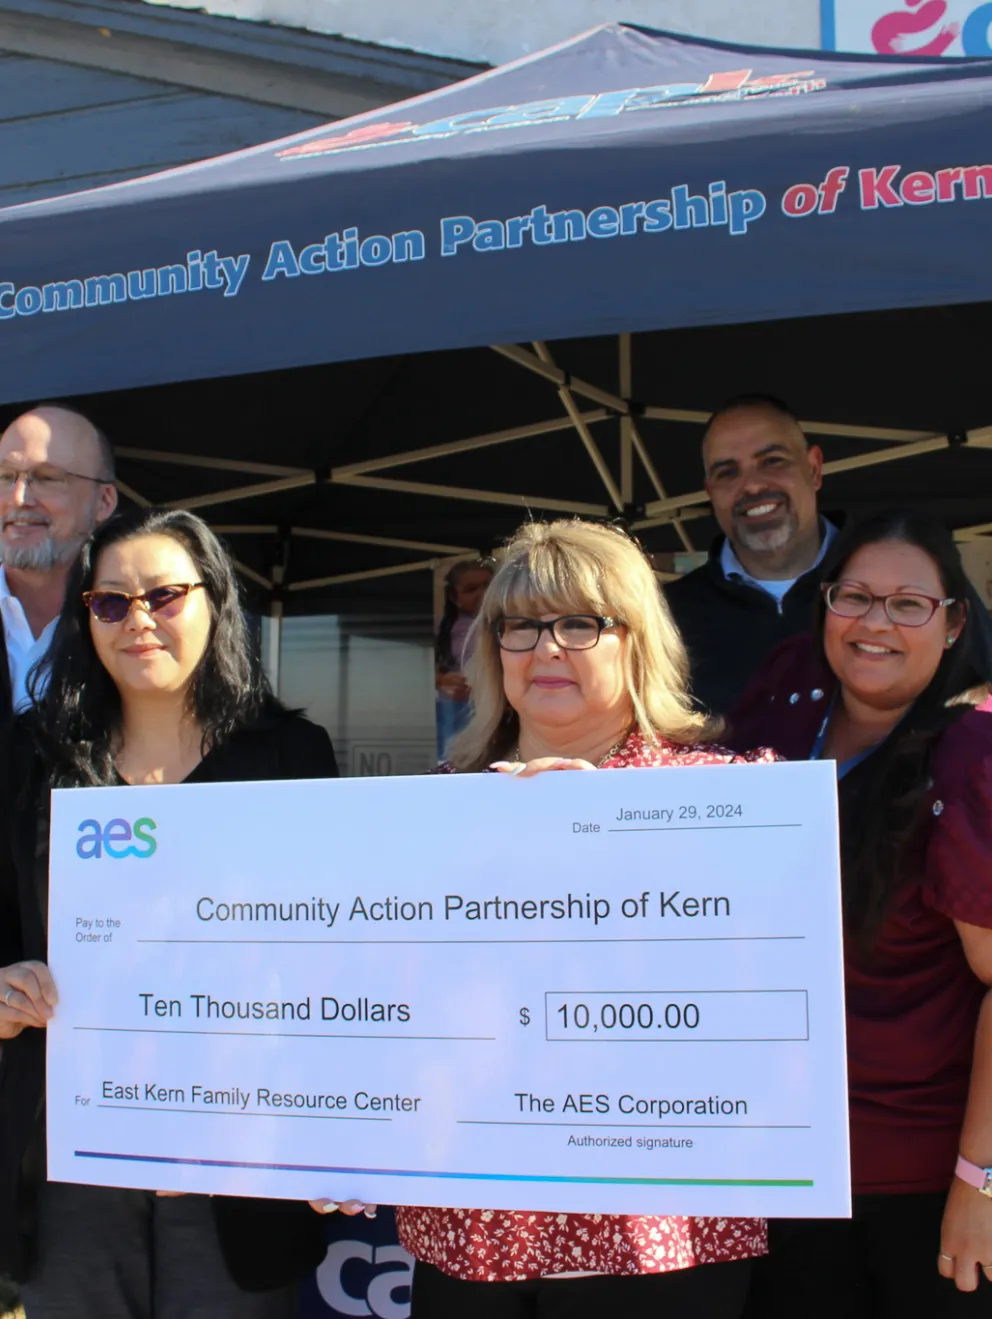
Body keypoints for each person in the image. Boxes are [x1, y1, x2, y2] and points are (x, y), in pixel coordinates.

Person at [316, 518, 776, 1319]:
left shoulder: (725, 800)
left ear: (636, 639)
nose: (545, 647)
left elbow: (763, 997)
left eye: (578, 622)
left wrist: (603, 838)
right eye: (520, 625)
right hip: (471, 1235)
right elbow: (376, 997)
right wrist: (336, 1127)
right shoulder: (424, 811)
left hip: (655, 1241)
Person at [0, 507, 337, 1318]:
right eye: (110, 602)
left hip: (239, 1160)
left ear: (216, 602)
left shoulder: (291, 758)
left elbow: (338, 950)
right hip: (70, 1158)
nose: (138, 619)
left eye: (164, 594)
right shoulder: (26, 757)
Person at [728, 511, 992, 1318]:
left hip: (918, 1176)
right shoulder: (783, 700)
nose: (876, 622)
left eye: (909, 604)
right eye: (855, 596)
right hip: (775, 1159)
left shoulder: (971, 756)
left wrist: (979, 1182)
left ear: (951, 624)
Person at [664, 396, 836, 715]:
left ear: (814, 468)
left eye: (772, 461)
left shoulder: (893, 586)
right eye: (727, 472)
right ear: (710, 492)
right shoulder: (664, 618)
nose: (753, 486)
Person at [0, 404, 118, 715]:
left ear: (103, 501)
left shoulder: (133, 622)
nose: (18, 498)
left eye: (47, 478)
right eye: (5, 476)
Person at [435, 558, 493, 758]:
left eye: (487, 586)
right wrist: (441, 680)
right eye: (471, 589)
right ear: (454, 595)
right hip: (456, 705)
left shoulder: (500, 622)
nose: (481, 593)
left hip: (489, 702)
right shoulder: (446, 626)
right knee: (455, 758)